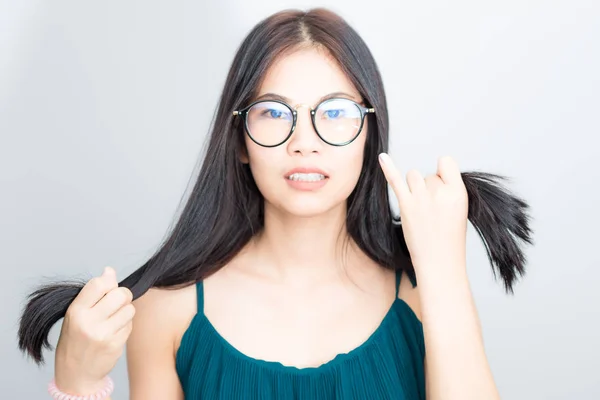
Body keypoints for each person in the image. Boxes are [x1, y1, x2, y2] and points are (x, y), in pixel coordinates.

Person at [18, 8, 533, 400]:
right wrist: (77, 381)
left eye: (334, 112)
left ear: (369, 134)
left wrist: (444, 274)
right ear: (239, 139)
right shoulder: (166, 312)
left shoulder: (423, 297)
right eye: (273, 112)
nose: (303, 141)